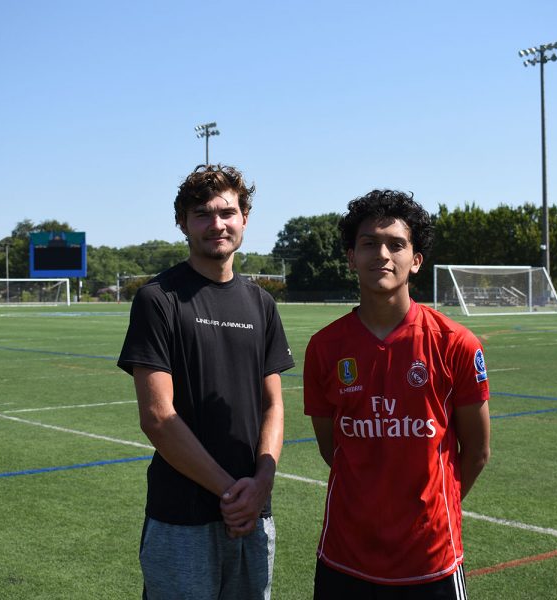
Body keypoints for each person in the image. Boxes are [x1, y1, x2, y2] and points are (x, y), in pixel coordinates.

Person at [117, 164, 295, 600]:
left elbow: (273, 405)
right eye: (202, 214)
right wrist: (232, 492)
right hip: (183, 516)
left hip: (254, 514)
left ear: (244, 218)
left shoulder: (261, 303)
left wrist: (262, 483)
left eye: (227, 212)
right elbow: (158, 417)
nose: (217, 223)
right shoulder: (158, 299)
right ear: (183, 223)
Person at [303, 190, 491, 599]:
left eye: (396, 244)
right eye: (369, 243)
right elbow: (331, 447)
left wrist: (431, 511)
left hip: (430, 560)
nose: (382, 254)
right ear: (352, 257)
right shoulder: (324, 347)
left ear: (416, 260)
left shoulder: (456, 343)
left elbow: (475, 452)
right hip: (345, 557)